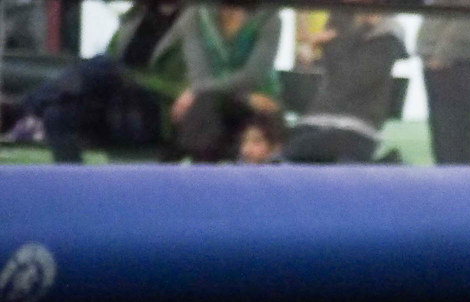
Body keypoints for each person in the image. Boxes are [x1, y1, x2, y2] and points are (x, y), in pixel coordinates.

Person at [4, 1, 186, 162]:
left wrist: (133, 79)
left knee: (104, 65)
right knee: (58, 114)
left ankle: (19, 111)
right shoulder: (136, 17)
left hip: (157, 111)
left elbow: (192, 86)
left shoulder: (194, 20)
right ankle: (73, 184)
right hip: (119, 102)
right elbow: (112, 60)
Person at [284, 10, 406, 164]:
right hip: (317, 119)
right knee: (283, 150)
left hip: (358, 125)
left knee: (304, 149)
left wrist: (352, 33)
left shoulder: (388, 30)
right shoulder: (339, 19)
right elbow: (330, 69)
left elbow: (353, 79)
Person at [165, 3, 281, 163]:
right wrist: (243, 97)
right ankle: (200, 168)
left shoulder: (269, 18)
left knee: (203, 105)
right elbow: (199, 76)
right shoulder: (194, 16)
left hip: (259, 99)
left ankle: (193, 166)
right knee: (206, 105)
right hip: (219, 100)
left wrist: (194, 91)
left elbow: (252, 75)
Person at [415, 3, 470, 165]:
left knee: (453, 140)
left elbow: (468, 16)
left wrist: (441, 55)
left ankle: (458, 185)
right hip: (447, 60)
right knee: (447, 139)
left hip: (458, 62)